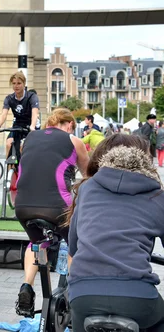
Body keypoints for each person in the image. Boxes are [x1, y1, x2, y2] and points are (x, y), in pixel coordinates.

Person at [66, 134, 164, 331]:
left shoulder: (87, 188)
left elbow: (73, 248)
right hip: (137, 296)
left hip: (83, 294)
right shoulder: (157, 196)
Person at [13, 108, 89, 317]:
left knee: (36, 243)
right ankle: (74, 297)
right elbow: (90, 175)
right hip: (58, 206)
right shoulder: (74, 141)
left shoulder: (29, 139)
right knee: (75, 242)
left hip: (23, 205)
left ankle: (27, 286)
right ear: (70, 125)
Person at [0, 72, 40, 160]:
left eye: (19, 83)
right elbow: (4, 114)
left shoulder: (32, 96)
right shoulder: (9, 98)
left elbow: (35, 112)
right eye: (14, 83)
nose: (16, 86)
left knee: (23, 147)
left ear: (24, 84)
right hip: (18, 125)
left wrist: (32, 126)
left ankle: (24, 169)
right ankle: (9, 170)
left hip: (30, 125)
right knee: (8, 144)